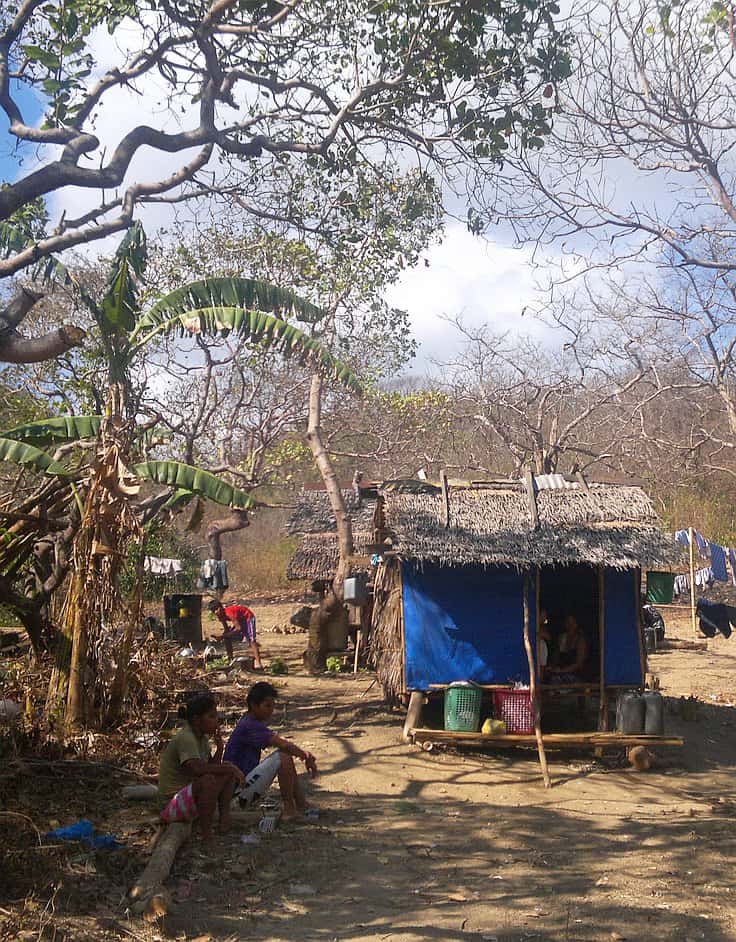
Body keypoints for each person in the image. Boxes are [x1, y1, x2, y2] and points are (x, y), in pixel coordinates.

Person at [158, 693, 245, 849]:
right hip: (173, 801)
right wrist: (229, 768)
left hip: (190, 795)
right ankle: (207, 836)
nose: (216, 720)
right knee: (211, 779)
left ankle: (224, 820)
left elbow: (211, 766)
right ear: (197, 720)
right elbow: (197, 769)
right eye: (211, 716)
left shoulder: (202, 738)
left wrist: (220, 748)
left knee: (225, 770)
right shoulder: (187, 738)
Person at [224, 681, 318, 822]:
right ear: (254, 705)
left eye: (273, 706)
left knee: (284, 755)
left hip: (242, 788)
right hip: (237, 794)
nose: (271, 710)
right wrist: (304, 755)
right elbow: (283, 745)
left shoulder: (249, 722)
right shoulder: (250, 725)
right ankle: (289, 810)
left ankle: (301, 804)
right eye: (267, 706)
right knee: (283, 756)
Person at [209, 599, 263, 668]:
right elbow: (226, 629)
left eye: (217, 609)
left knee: (251, 640)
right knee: (227, 638)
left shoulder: (229, 613)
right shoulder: (220, 616)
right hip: (239, 621)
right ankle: (230, 660)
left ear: (221, 607)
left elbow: (238, 629)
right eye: (214, 611)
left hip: (247, 617)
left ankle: (259, 663)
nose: (216, 612)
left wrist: (222, 636)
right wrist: (223, 636)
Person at [547, 614, 589, 683]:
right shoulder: (562, 638)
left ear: (576, 624)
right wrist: (552, 667)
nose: (570, 626)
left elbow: (579, 664)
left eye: (572, 623)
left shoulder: (580, 640)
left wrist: (562, 671)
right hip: (560, 674)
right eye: (568, 623)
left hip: (576, 676)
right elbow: (556, 658)